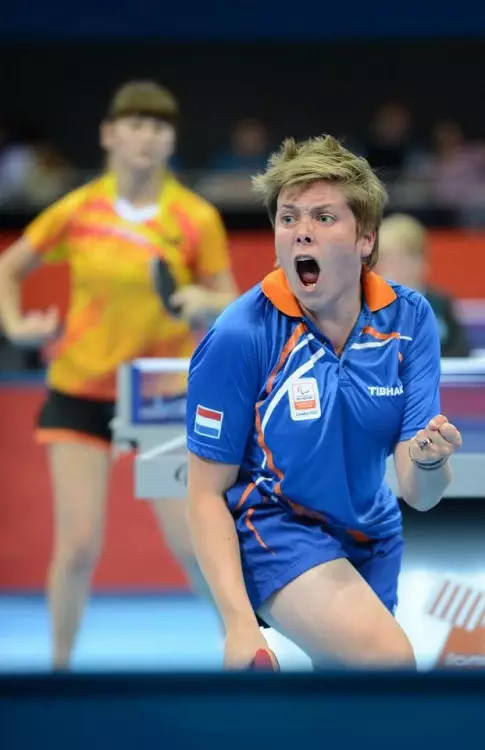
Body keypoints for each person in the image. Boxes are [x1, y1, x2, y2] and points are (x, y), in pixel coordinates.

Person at [185, 135, 462, 670]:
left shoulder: (409, 320)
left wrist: (430, 461)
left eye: (324, 217)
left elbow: (419, 493)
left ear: (365, 239)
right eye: (288, 218)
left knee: (353, 701)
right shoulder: (242, 334)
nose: (302, 231)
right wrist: (240, 625)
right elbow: (203, 493)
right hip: (276, 525)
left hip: (372, 532)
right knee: (388, 661)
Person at [0, 80, 237, 669]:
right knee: (77, 547)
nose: (146, 136)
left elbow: (231, 301)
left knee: (194, 545)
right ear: (109, 134)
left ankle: (242, 652)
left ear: (171, 140)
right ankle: (59, 671)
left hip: (160, 395)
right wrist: (16, 325)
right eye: (134, 124)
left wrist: (203, 301)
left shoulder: (196, 217)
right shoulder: (78, 209)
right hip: (81, 389)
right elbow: (9, 267)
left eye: (158, 126)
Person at [377, 214, 470, 357]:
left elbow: (460, 352)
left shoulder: (440, 304)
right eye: (388, 259)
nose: (396, 268)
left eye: (403, 259)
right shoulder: (368, 307)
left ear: (422, 261)